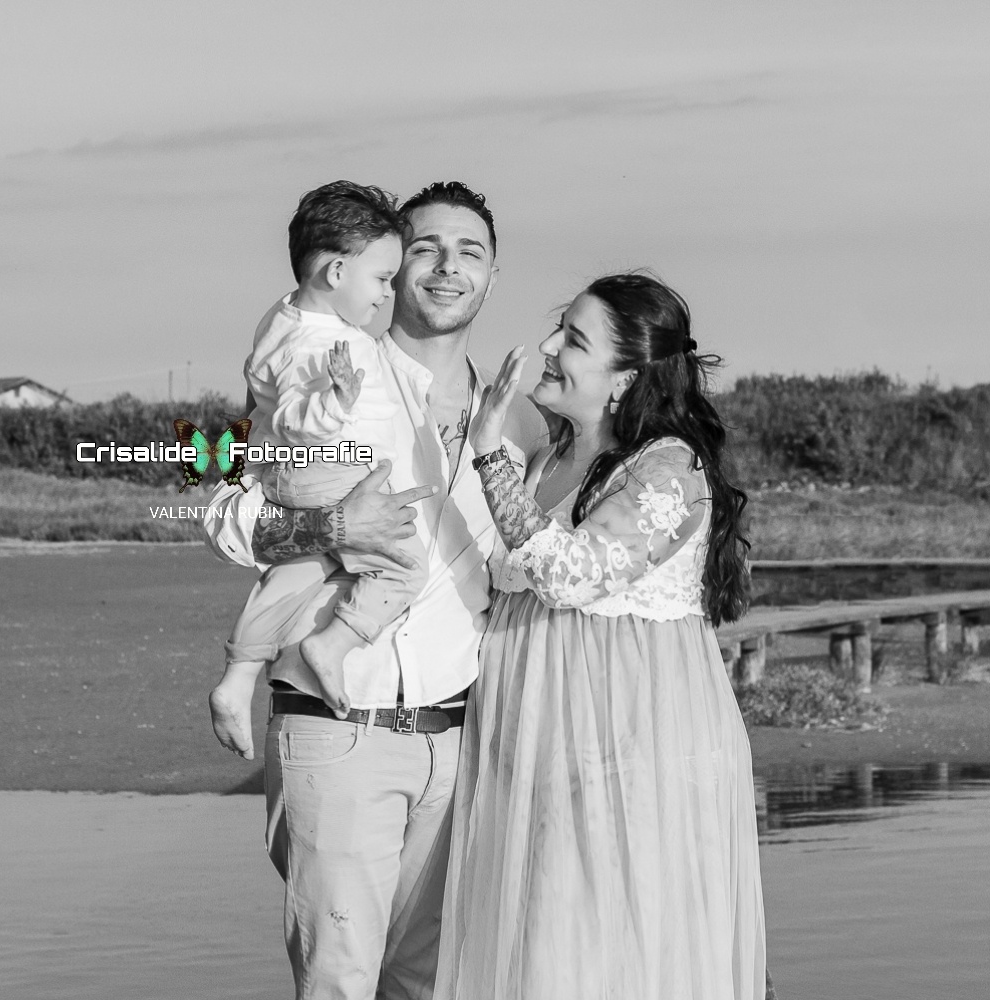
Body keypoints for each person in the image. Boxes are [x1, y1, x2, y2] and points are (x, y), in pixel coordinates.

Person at [201, 181, 549, 1000]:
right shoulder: (318, 367)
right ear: (384, 267)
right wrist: (328, 531)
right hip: (338, 728)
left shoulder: (528, 424)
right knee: (339, 981)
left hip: (463, 740)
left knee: (428, 982)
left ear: (493, 276)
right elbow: (215, 509)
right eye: (424, 249)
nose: (443, 268)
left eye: (470, 252)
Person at [436, 272, 768, 999]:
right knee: (543, 938)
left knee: (608, 942)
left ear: (625, 378)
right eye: (561, 328)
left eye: (574, 340)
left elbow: (570, 576)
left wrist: (487, 454)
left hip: (629, 743)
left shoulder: (668, 468)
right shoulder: (552, 457)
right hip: (544, 737)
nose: (550, 347)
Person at [214, 179, 423, 729]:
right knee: (404, 565)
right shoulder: (329, 342)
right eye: (381, 279)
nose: (386, 293)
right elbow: (290, 421)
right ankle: (335, 644)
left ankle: (238, 676)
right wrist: (335, 403)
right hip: (329, 468)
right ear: (336, 274)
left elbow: (265, 400)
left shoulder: (283, 319)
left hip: (298, 476)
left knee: (297, 571)